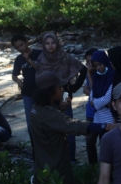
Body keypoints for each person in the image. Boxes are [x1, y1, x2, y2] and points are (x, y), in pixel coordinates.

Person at [31, 71, 114, 184]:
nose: (62, 88)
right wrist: (106, 126)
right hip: (59, 177)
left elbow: (52, 123)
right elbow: (74, 126)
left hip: (41, 177)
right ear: (50, 91)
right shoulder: (51, 115)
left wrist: (58, 110)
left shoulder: (36, 109)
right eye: (59, 87)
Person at [36, 32, 88, 163]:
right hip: (48, 98)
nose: (51, 46)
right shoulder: (41, 59)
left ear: (57, 43)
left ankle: (71, 158)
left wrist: (74, 87)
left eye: (53, 43)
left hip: (64, 95)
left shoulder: (64, 56)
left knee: (68, 125)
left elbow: (82, 69)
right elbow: (39, 81)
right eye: (47, 43)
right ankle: (56, 159)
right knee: (51, 129)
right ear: (43, 45)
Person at [87, 50, 115, 163]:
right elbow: (91, 95)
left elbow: (108, 97)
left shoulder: (112, 75)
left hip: (109, 116)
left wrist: (96, 102)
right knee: (102, 143)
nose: (98, 68)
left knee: (110, 144)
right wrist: (96, 102)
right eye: (96, 66)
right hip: (98, 116)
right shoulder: (96, 76)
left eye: (100, 64)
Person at [11, 35, 41, 136]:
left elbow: (42, 70)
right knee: (30, 121)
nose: (20, 48)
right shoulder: (19, 59)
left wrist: (29, 61)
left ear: (27, 42)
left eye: (22, 45)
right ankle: (35, 148)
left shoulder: (39, 54)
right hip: (27, 92)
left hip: (42, 91)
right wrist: (18, 80)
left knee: (44, 118)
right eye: (17, 47)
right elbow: (14, 75)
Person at [83, 48, 99, 164]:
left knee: (105, 142)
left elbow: (94, 91)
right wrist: (94, 96)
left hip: (102, 113)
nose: (90, 64)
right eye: (88, 62)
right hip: (90, 112)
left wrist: (94, 95)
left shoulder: (103, 74)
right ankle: (92, 168)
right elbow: (85, 89)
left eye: (92, 61)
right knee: (89, 141)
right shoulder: (89, 73)